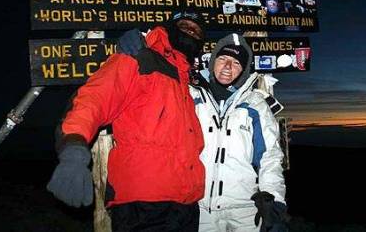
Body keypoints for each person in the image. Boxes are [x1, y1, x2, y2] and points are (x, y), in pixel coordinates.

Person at [47, 11, 207, 232]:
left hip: (186, 204)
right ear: (169, 29)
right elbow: (93, 100)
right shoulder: (138, 58)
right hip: (143, 204)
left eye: (196, 31)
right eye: (185, 25)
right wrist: (73, 151)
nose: (191, 31)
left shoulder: (185, 80)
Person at [119, 31, 289, 232]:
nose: (227, 66)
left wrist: (274, 201)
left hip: (246, 211)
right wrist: (141, 42)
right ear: (213, 62)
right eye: (223, 58)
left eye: (236, 63)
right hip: (198, 210)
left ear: (243, 70)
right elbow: (158, 74)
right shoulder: (190, 96)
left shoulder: (255, 104)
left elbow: (269, 157)